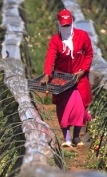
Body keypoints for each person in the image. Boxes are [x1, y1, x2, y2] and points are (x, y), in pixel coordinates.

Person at [40, 9, 93, 147]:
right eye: (63, 25)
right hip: (62, 80)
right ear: (58, 23)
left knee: (79, 107)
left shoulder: (82, 36)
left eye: (68, 25)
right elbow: (50, 56)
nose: (66, 28)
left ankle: (76, 136)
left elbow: (89, 54)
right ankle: (67, 137)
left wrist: (82, 71)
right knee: (64, 107)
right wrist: (47, 74)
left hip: (79, 79)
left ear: (72, 23)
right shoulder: (55, 41)